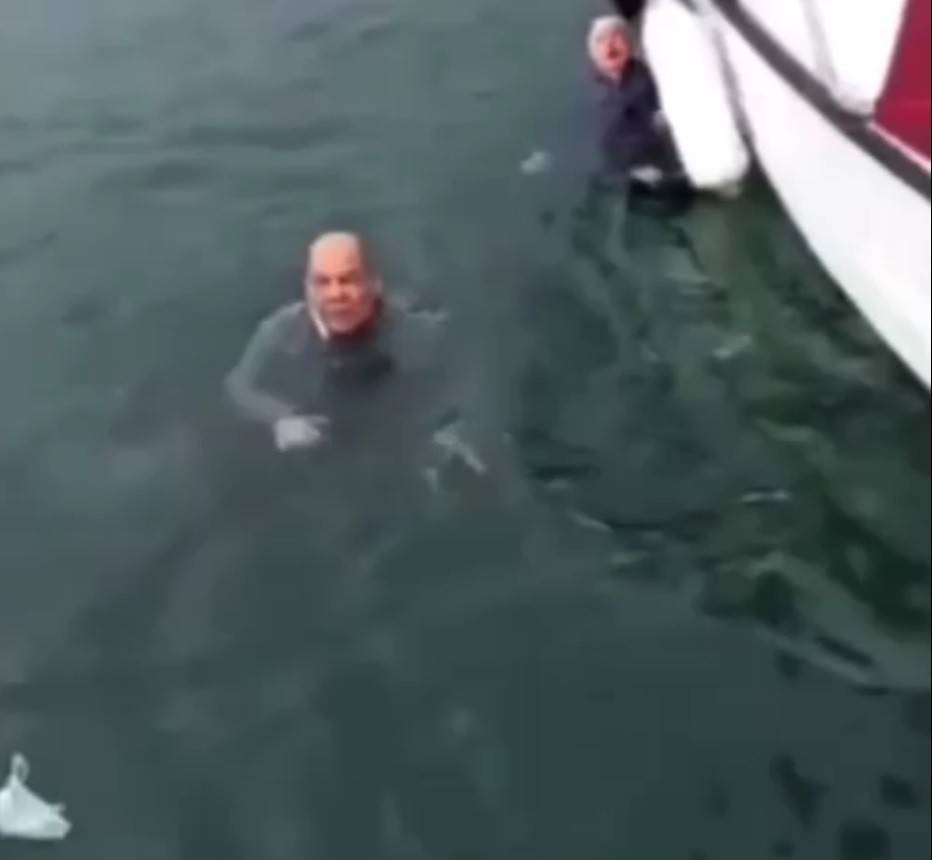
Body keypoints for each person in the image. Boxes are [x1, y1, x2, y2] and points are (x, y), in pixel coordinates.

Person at [226, 231, 484, 477]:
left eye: (348, 280)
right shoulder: (281, 331)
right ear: (307, 288)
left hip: (395, 438)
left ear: (374, 284)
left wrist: (450, 430)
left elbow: (464, 377)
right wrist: (280, 418)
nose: (336, 294)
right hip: (325, 448)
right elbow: (239, 387)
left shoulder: (417, 329)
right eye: (322, 282)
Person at [587, 15, 691, 204]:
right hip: (619, 174)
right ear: (594, 55)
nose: (609, 45)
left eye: (616, 37)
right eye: (601, 40)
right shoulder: (591, 90)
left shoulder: (650, 80)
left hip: (659, 172)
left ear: (630, 45)